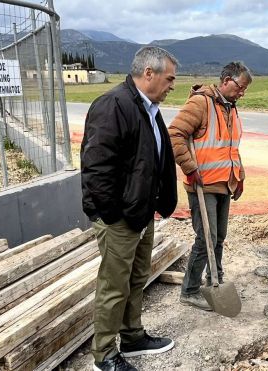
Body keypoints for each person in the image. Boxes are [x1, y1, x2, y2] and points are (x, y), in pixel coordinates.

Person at [81, 46, 178, 371]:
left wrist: (157, 204)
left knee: (137, 278)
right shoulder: (113, 105)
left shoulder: (148, 109)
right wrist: (114, 216)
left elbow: (150, 160)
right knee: (113, 285)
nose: (172, 85)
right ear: (148, 73)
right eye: (169, 79)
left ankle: (132, 336)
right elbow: (96, 169)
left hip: (140, 213)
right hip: (120, 218)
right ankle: (104, 354)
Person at [168, 61, 252, 310]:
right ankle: (190, 291)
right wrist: (190, 169)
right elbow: (174, 135)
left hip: (224, 183)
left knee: (218, 238)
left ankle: (215, 278)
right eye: (240, 87)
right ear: (226, 80)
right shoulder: (200, 102)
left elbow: (231, 147)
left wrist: (240, 176)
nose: (242, 93)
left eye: (244, 89)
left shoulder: (230, 108)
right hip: (202, 184)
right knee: (205, 238)